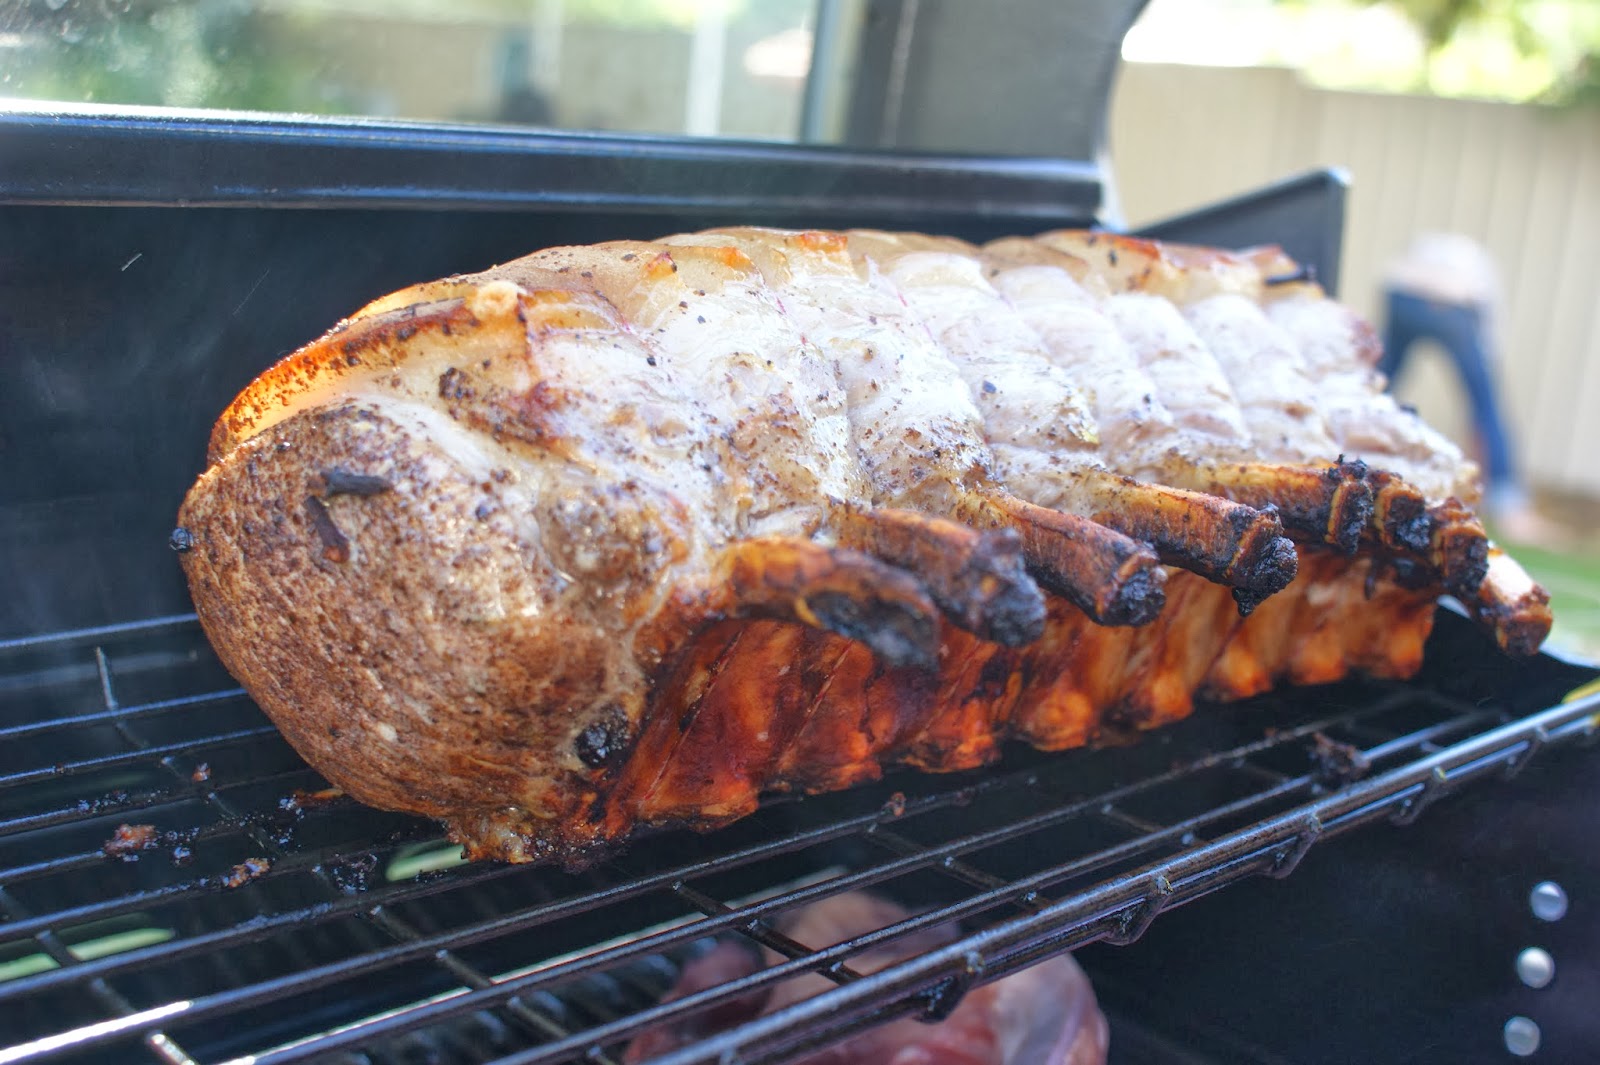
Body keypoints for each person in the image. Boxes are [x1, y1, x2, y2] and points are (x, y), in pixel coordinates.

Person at [1379, 233, 1554, 544]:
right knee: (1485, 405)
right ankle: (1509, 505)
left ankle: (1334, 462)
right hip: (1454, 300)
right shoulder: (1483, 311)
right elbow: (1481, 414)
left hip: (1399, 292)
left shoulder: (1457, 264)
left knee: (1376, 388)